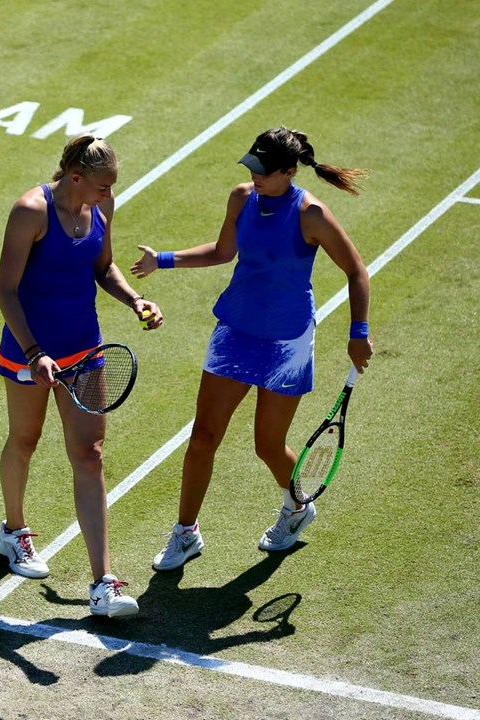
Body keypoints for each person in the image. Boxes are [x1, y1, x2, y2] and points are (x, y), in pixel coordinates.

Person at [130, 126, 373, 571]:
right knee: (203, 437)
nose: (256, 177)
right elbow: (224, 251)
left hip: (287, 343)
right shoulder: (242, 198)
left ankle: (297, 507)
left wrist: (358, 332)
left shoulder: (312, 214)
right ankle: (185, 533)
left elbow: (357, 271)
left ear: (289, 171)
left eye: (265, 171)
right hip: (236, 333)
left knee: (268, 445)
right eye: (252, 168)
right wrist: (162, 259)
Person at [0, 134, 161, 617]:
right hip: (31, 354)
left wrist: (134, 301)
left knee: (88, 455)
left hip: (86, 352)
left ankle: (102, 583)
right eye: (103, 186)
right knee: (23, 441)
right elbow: (5, 290)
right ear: (75, 177)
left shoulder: (101, 211)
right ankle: (14, 532)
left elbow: (103, 268)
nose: (109, 195)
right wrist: (33, 351)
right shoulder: (30, 211)